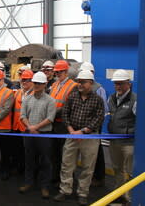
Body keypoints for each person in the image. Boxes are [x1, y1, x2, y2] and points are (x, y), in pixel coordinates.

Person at [54, 70, 104, 206]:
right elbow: (65, 114)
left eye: (83, 82)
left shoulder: (97, 100)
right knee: (67, 165)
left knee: (88, 167)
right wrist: (71, 130)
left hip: (89, 137)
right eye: (79, 82)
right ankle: (65, 190)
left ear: (91, 83)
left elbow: (98, 119)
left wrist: (82, 131)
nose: (80, 84)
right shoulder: (72, 96)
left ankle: (83, 193)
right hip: (72, 135)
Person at [19, 71, 56, 199]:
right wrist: (30, 127)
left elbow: (50, 118)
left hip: (44, 135)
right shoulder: (27, 99)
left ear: (45, 84)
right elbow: (22, 115)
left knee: (45, 161)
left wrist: (36, 127)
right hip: (29, 133)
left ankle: (45, 187)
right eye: (35, 83)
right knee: (29, 159)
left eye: (39, 83)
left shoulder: (51, 101)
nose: (36, 85)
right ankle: (29, 183)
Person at [108, 69, 136, 204]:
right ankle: (119, 194)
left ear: (128, 84)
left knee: (129, 171)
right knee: (117, 169)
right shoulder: (112, 98)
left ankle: (129, 197)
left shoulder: (135, 100)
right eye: (115, 84)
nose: (117, 86)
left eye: (120, 84)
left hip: (129, 142)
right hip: (114, 141)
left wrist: (129, 132)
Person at [79, 62, 109, 187]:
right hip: (81, 124)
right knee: (85, 151)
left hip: (94, 125)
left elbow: (103, 110)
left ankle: (98, 176)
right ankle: (88, 177)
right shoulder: (79, 87)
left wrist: (93, 124)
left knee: (96, 150)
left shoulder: (99, 89)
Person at [49, 60, 78, 183]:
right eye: (56, 72)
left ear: (66, 71)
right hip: (53, 123)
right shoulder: (55, 85)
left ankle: (67, 180)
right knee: (54, 154)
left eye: (59, 72)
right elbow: (50, 101)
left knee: (66, 156)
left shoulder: (73, 86)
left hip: (64, 125)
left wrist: (49, 114)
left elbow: (67, 106)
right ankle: (55, 177)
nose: (57, 74)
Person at [11, 70, 34, 174]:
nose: (24, 82)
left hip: (28, 128)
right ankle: (18, 168)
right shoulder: (17, 93)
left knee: (29, 152)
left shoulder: (35, 94)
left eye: (27, 80)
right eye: (23, 80)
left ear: (32, 81)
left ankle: (28, 171)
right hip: (17, 127)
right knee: (17, 150)